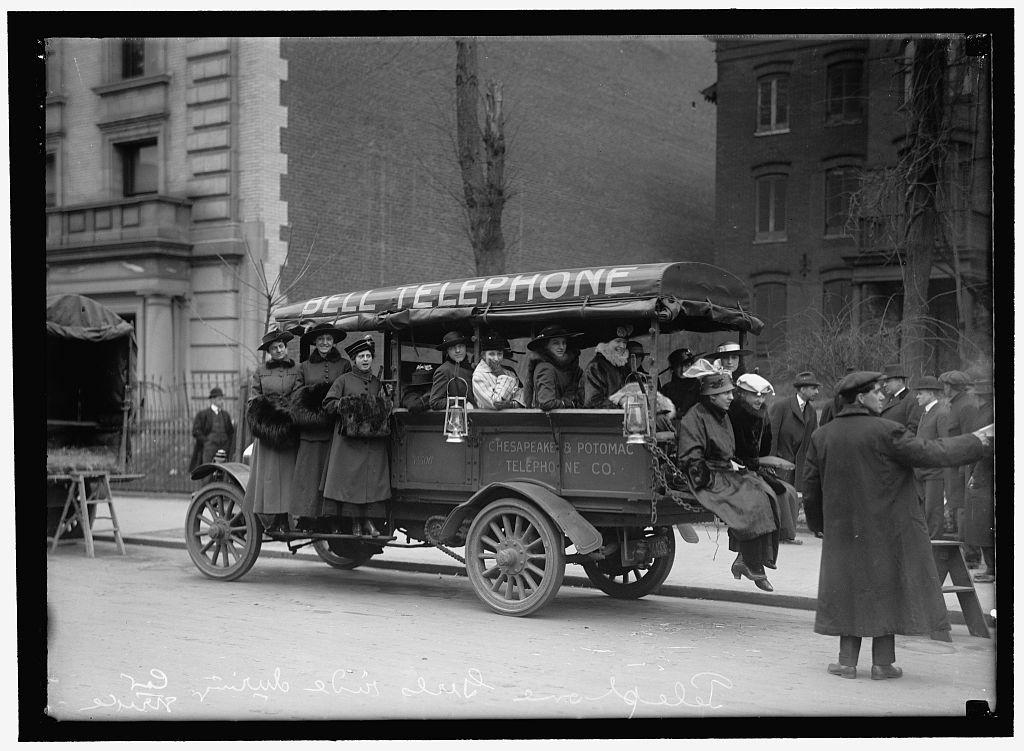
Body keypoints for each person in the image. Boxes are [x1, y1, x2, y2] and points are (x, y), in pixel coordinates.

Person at [804, 370, 990, 680]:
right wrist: (977, 441)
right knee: (883, 591)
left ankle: (846, 663)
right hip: (886, 530)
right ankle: (882, 664)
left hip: (843, 531)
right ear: (860, 398)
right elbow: (933, 454)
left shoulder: (823, 435)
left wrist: (820, 525)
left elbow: (810, 486)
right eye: (876, 392)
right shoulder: (887, 431)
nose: (883, 395)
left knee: (849, 590)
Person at [675, 360, 780, 592]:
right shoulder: (696, 416)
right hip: (704, 477)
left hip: (722, 470)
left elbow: (725, 449)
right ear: (712, 396)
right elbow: (691, 458)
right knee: (752, 499)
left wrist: (732, 464)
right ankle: (751, 563)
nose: (731, 397)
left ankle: (752, 560)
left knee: (766, 492)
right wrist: (717, 470)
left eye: (731, 392)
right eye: (725, 393)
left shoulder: (720, 414)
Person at [321, 334, 392, 537]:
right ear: (354, 360)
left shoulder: (378, 383)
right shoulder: (343, 381)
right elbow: (328, 404)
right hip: (348, 445)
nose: (365, 360)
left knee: (370, 484)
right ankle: (354, 524)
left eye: (368, 355)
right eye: (361, 356)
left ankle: (369, 521)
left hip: (372, 444)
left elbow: (384, 404)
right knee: (351, 485)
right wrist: (347, 405)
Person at [288, 322, 351, 532]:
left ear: (334, 342)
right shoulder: (304, 367)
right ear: (315, 342)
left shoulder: (343, 365)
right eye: (321, 339)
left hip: (334, 428)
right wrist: (312, 412)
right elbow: (297, 396)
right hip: (311, 429)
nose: (325, 343)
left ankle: (332, 519)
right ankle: (308, 518)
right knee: (310, 475)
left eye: (329, 339)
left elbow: (348, 391)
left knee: (331, 475)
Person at [727, 373, 800, 542]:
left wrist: (763, 463)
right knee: (772, 495)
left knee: (790, 492)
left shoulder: (762, 414)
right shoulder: (732, 414)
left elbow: (766, 444)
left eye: (763, 396)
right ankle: (757, 545)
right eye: (755, 395)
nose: (760, 400)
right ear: (742, 394)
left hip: (754, 466)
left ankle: (781, 535)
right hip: (736, 468)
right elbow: (728, 446)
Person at [244, 329, 302, 534]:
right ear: (269, 351)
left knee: (287, 478)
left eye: (281, 346)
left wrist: (287, 416)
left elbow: (299, 395)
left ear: (286, 347)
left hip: (288, 431)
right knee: (269, 479)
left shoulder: (297, 369)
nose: (279, 350)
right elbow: (254, 398)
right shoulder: (260, 371)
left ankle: (285, 519)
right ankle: (272, 520)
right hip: (268, 433)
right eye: (274, 348)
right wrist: (266, 420)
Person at [768, 371, 821, 544]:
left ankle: (787, 534)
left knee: (794, 499)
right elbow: (772, 435)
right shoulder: (782, 406)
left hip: (799, 465)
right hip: (780, 462)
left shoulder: (811, 412)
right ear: (803, 389)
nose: (817, 392)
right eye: (813, 388)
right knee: (780, 498)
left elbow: (812, 441)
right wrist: (770, 461)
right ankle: (779, 534)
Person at [938, 370, 980, 558]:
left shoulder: (966, 407)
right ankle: (965, 551)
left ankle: (970, 554)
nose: (944, 388)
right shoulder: (956, 405)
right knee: (957, 507)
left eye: (946, 385)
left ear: (952, 387)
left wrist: (966, 470)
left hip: (962, 467)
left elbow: (971, 439)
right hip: (953, 465)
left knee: (964, 510)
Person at [964, 371, 994, 582]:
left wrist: (976, 473)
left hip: (984, 471)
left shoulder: (987, 414)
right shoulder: (985, 411)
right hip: (982, 469)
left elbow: (986, 447)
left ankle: (991, 569)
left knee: (982, 521)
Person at [911, 375, 948, 539]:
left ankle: (935, 549)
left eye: (920, 393)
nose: (917, 396)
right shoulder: (926, 413)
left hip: (934, 472)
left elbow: (944, 444)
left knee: (933, 512)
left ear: (931, 394)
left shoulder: (941, 413)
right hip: (922, 471)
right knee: (924, 511)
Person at [525, 325, 585, 410]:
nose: (561, 347)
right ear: (546, 346)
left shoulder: (570, 368)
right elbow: (546, 403)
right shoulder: (546, 368)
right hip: (551, 421)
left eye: (564, 342)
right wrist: (569, 403)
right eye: (555, 343)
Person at [472, 331, 524, 409]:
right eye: (492, 354)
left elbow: (523, 395)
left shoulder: (509, 372)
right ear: (483, 355)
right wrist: (501, 375)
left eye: (499, 354)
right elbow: (496, 403)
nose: (496, 359)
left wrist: (512, 404)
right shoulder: (478, 376)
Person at [189, 387, 235, 472]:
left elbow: (231, 433)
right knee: (207, 472)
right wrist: (206, 442)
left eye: (222, 399)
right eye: (219, 399)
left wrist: (227, 445)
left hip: (224, 449)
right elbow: (196, 431)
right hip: (209, 449)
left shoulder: (225, 415)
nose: (222, 401)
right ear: (213, 400)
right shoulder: (203, 415)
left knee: (224, 472)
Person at [584, 328, 631, 409]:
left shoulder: (622, 367)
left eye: (624, 342)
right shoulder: (596, 367)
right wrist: (621, 404)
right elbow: (592, 402)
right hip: (601, 419)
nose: (622, 346)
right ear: (606, 343)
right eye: (618, 341)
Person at [430, 330, 475, 411]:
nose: (457, 350)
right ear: (447, 350)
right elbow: (434, 402)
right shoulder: (444, 371)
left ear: (465, 347)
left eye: (460, 346)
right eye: (452, 348)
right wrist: (461, 403)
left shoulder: (472, 368)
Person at [660, 347, 701, 419]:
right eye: (678, 366)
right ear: (673, 368)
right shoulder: (667, 389)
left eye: (686, 365)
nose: (683, 370)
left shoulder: (699, 387)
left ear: (691, 365)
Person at [879, 363, 921, 433]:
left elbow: (913, 428)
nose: (884, 385)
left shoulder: (912, 399)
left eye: (887, 381)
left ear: (899, 381)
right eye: (884, 382)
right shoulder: (887, 398)